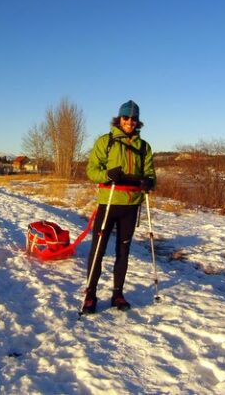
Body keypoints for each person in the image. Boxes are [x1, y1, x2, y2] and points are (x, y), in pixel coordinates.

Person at [82, 100, 156, 313]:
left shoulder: (144, 147)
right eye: (126, 118)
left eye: (134, 119)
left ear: (137, 121)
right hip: (109, 202)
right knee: (98, 249)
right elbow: (92, 170)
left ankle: (118, 293)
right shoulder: (106, 142)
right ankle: (90, 294)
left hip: (131, 206)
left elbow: (150, 173)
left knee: (123, 250)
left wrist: (149, 182)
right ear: (119, 118)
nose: (130, 122)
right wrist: (107, 174)